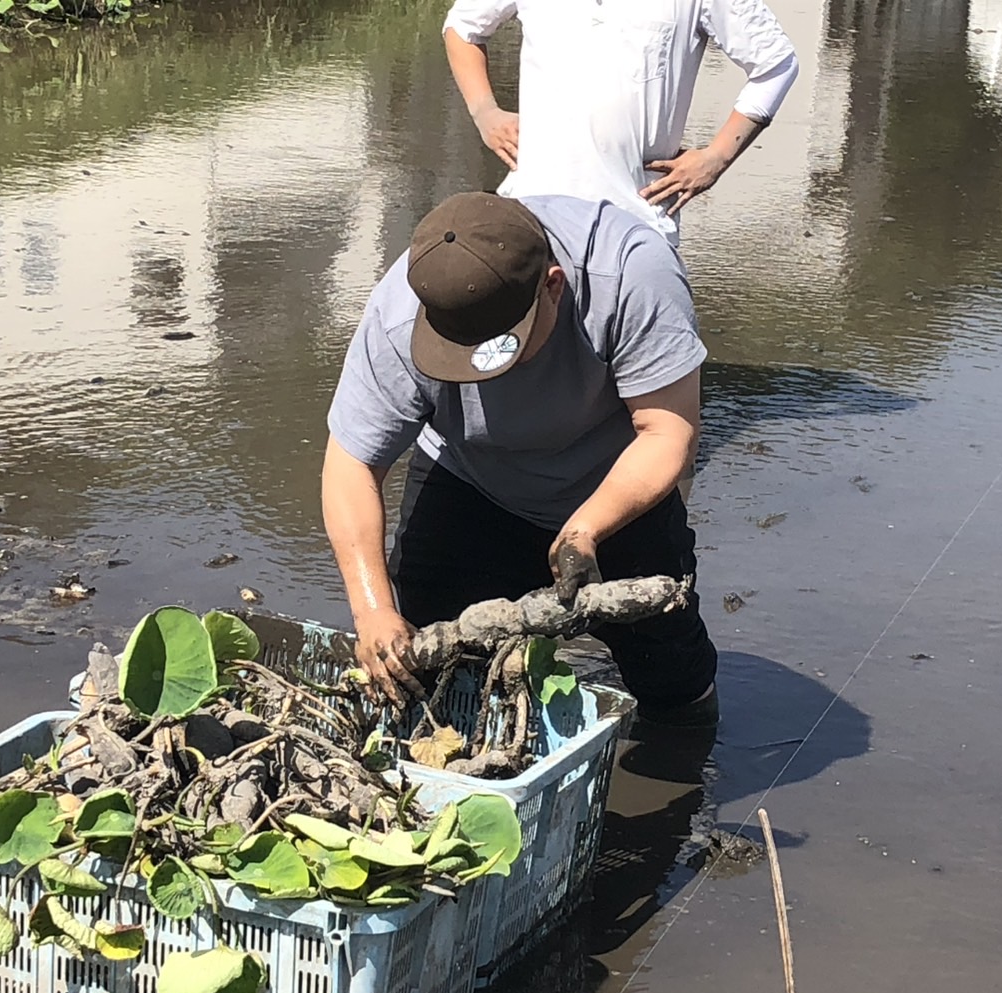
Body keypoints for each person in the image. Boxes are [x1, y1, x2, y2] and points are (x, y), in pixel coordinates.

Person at [320, 190, 718, 728]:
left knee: (675, 685)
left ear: (552, 287)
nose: (482, 372)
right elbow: (352, 464)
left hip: (613, 482)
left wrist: (585, 530)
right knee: (425, 675)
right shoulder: (399, 313)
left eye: (498, 348)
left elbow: (667, 433)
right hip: (470, 478)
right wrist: (372, 611)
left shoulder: (629, 273)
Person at [442, 0, 800, 250]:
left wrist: (717, 158)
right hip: (532, 219)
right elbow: (463, 27)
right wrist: (485, 111)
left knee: (647, 358)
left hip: (639, 228)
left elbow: (776, 65)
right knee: (528, 354)